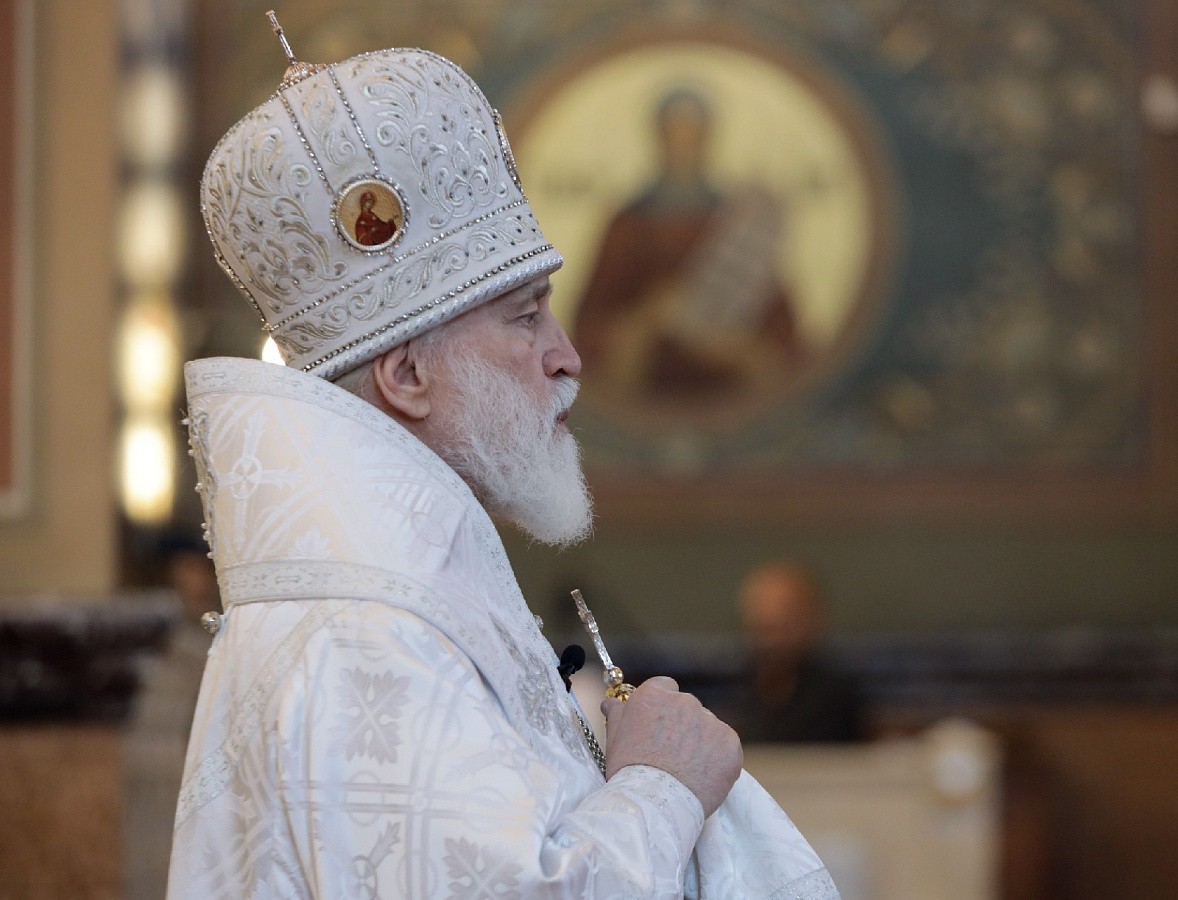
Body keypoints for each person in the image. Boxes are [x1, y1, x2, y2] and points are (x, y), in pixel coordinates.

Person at [168, 24, 838, 899]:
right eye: (526, 317)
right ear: (408, 376)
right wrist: (662, 786)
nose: (568, 356)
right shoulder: (365, 628)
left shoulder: (400, 590)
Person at [574, 87, 805, 402]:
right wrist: (650, 316)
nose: (684, 144)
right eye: (675, 134)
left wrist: (734, 342)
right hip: (649, 394)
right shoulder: (628, 224)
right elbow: (591, 324)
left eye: (693, 134)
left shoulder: (736, 220)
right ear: (659, 138)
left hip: (729, 394)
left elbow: (780, 331)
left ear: (707, 139)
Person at [733, 563, 865, 744]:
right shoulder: (737, 692)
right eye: (763, 627)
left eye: (783, 625)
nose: (771, 642)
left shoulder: (835, 696)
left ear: (812, 619)